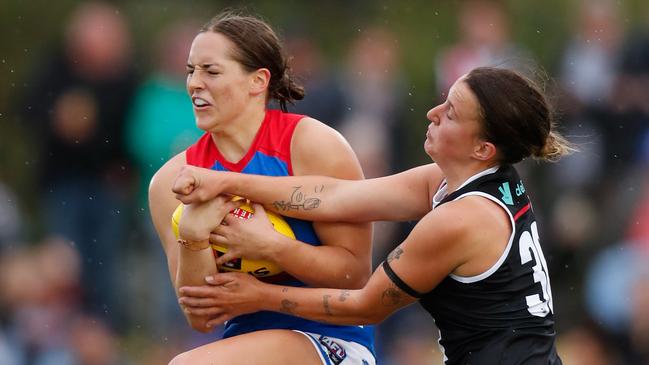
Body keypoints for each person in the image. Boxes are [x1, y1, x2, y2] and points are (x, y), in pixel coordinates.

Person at [172, 67, 573, 364]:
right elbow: (336, 197)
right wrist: (227, 182)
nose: (433, 112)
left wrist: (260, 292)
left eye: (451, 113)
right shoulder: (469, 179)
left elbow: (366, 305)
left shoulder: (461, 219)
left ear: (483, 148)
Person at [147, 11, 375, 365]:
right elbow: (200, 317)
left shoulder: (313, 145)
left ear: (258, 81)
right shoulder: (170, 182)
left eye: (212, 71)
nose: (194, 83)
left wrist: (271, 248)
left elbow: (354, 274)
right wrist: (192, 235)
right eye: (192, 71)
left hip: (331, 340)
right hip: (244, 346)